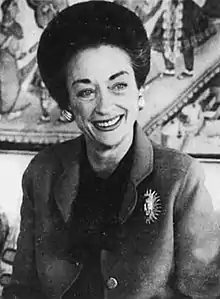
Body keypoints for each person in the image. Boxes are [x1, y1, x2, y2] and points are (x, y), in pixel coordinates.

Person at [2, 1, 220, 298]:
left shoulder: (181, 179)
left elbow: (205, 293)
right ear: (68, 106)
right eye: (86, 91)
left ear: (139, 93)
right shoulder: (43, 173)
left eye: (118, 86)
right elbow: (22, 291)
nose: (105, 106)